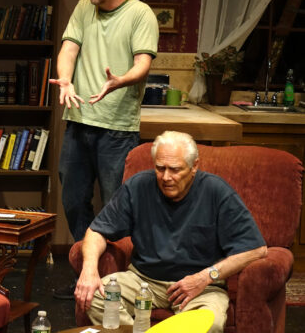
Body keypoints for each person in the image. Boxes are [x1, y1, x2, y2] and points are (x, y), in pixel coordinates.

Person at [75, 131, 267, 332]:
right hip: (144, 280)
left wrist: (205, 277)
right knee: (95, 297)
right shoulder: (138, 186)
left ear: (194, 166)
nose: (166, 177)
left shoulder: (216, 191)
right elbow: (97, 231)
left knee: (211, 323)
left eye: (175, 170)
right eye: (160, 168)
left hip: (201, 287)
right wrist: (89, 270)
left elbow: (257, 249)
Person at [49, 0, 158, 299]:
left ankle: (118, 282)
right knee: (73, 200)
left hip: (118, 128)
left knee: (118, 207)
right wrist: (66, 80)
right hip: (79, 121)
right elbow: (68, 50)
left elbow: (143, 63)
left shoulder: (140, 14)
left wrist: (121, 80)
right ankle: (87, 271)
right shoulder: (84, 8)